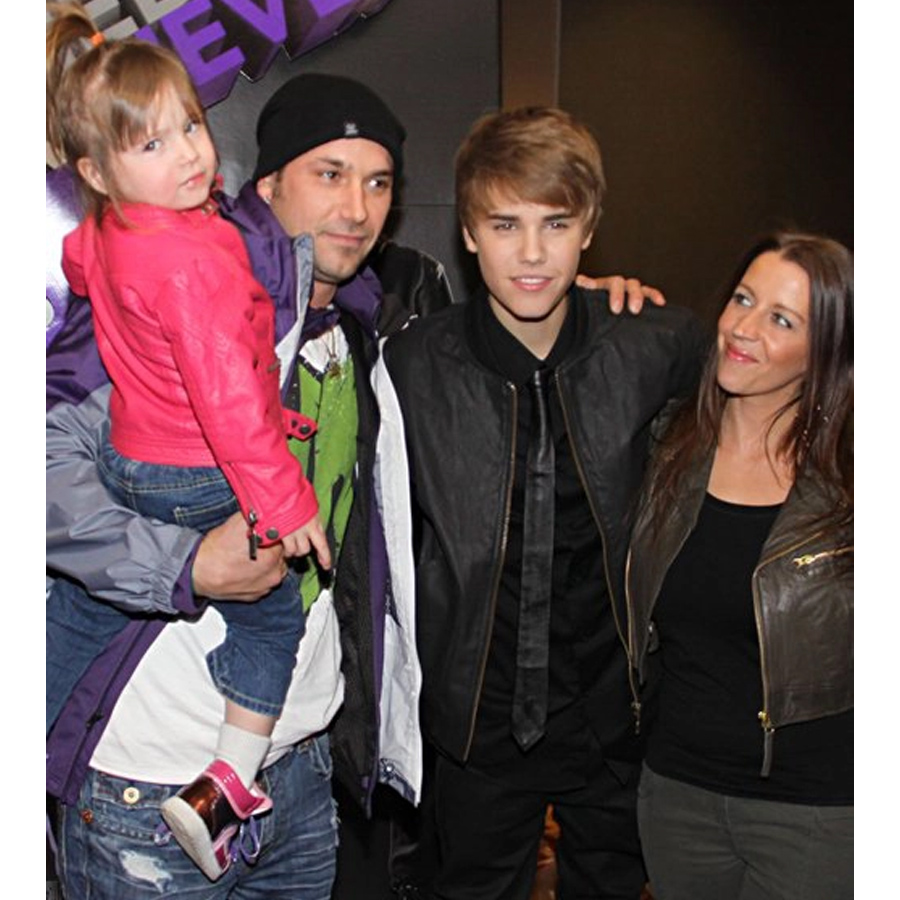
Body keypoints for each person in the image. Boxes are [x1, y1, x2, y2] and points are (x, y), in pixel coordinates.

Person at [45, 42, 662, 892]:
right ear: (267, 183)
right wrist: (183, 565)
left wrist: (584, 303)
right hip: (151, 768)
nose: (357, 207)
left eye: (378, 183)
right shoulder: (179, 289)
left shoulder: (382, 329)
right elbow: (38, 477)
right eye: (329, 174)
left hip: (296, 765)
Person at [383, 106, 707, 900]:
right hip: (474, 723)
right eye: (505, 224)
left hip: (619, 717)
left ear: (589, 229)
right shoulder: (412, 365)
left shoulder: (656, 344)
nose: (531, 253)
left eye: (555, 224)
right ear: (468, 233)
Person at [45, 5, 333, 880]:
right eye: (152, 144)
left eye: (193, 128)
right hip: (193, 473)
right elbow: (226, 399)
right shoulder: (194, 259)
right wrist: (284, 500)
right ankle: (224, 792)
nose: (189, 155)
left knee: (85, 611)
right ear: (96, 170)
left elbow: (87, 270)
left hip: (136, 458)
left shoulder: (109, 234)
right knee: (272, 621)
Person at [625, 232, 853, 900]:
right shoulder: (667, 445)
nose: (744, 329)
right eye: (744, 300)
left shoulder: (853, 477)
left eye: (782, 319)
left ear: (826, 350)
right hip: (676, 796)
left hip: (816, 812)